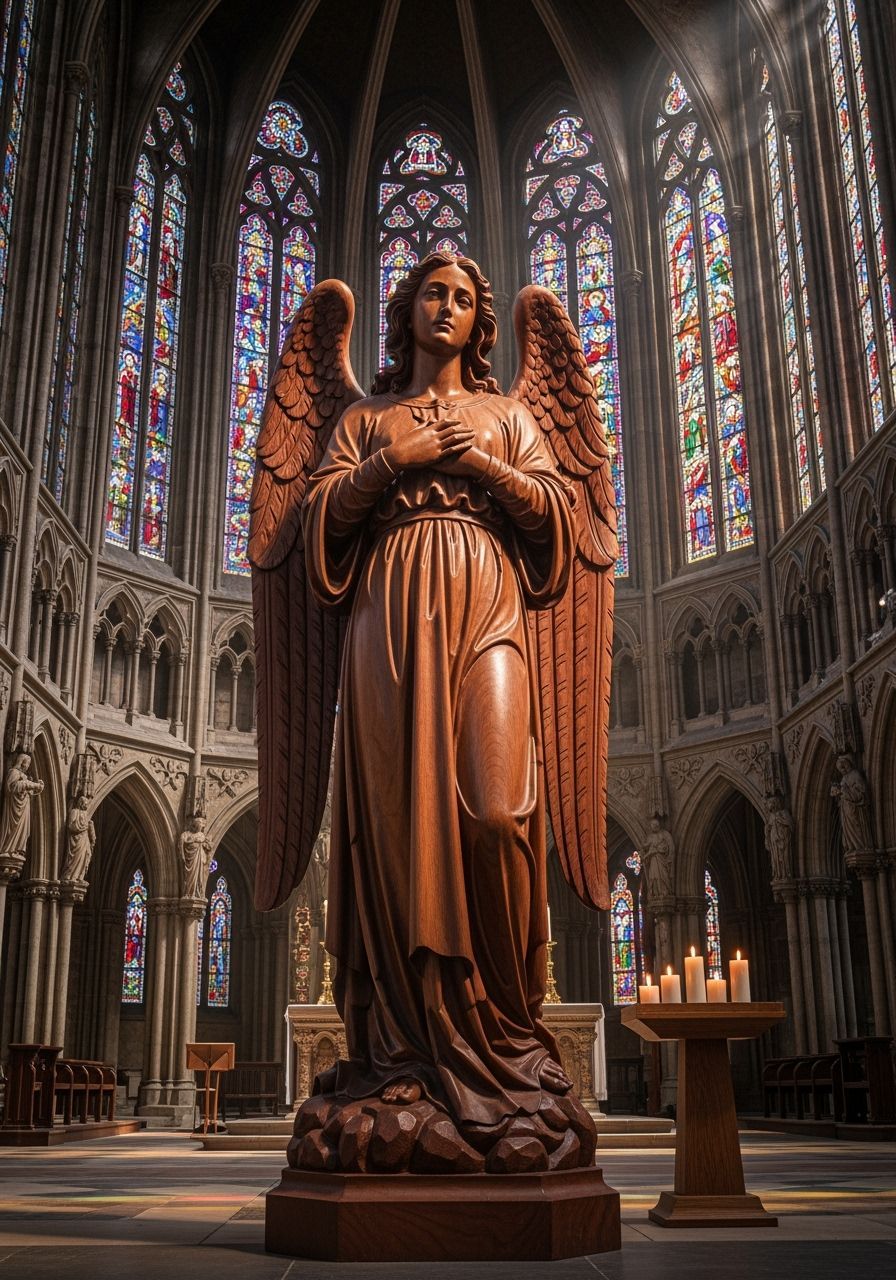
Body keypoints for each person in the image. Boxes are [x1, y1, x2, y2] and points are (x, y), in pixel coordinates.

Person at [301, 254, 579, 1144]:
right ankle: (405, 1049)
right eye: (433, 292)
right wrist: (398, 460)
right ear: (408, 309)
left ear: (480, 320)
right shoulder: (364, 419)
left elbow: (559, 523)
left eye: (463, 297)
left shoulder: (510, 416)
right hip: (387, 617)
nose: (448, 307)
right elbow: (318, 524)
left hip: (488, 602)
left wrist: (489, 470)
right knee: (394, 831)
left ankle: (502, 1035)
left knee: (497, 814)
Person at [0, 752, 43, 864]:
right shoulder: (14, 772)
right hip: (14, 808)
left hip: (24, 808)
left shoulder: (24, 776)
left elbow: (28, 791)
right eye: (27, 763)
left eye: (29, 763)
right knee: (13, 828)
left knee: (24, 830)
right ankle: (9, 849)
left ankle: (17, 849)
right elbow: (10, 788)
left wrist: (37, 788)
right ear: (21, 762)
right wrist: (29, 784)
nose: (28, 766)